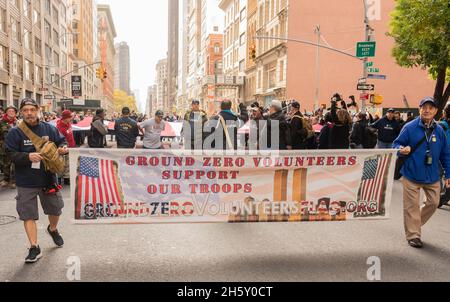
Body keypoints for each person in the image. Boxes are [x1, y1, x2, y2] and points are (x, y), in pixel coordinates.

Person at [5, 98, 69, 263]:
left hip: (48, 178)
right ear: (21, 112)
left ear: (38, 110)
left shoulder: (49, 128)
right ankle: (34, 247)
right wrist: (27, 156)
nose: (29, 113)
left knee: (55, 210)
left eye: (32, 110)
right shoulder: (14, 132)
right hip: (25, 180)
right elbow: (10, 154)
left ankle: (52, 229)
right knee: (28, 214)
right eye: (25, 110)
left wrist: (63, 148)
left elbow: (62, 141)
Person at [393, 97, 450, 249]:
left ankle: (414, 223)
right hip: (411, 174)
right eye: (424, 107)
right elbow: (396, 144)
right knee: (411, 206)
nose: (427, 110)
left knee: (433, 203)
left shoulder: (439, 131)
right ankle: (413, 235)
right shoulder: (409, 127)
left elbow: (446, 154)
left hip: (432, 176)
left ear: (436, 111)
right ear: (419, 109)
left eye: (431, 108)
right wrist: (401, 149)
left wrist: (449, 174)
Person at [0, 106, 18, 188]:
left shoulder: (17, 123)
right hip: (5, 146)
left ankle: (14, 181)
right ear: (6, 113)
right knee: (6, 164)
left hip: (16, 146)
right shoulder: (1, 122)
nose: (11, 112)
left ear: (15, 113)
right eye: (9, 111)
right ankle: (6, 180)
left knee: (15, 163)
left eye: (13, 111)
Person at [56, 110, 76, 185]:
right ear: (65, 118)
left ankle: (67, 178)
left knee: (68, 163)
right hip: (64, 148)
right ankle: (59, 179)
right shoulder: (59, 127)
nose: (71, 118)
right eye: (70, 117)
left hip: (71, 146)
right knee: (62, 164)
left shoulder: (69, 124)